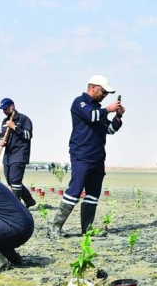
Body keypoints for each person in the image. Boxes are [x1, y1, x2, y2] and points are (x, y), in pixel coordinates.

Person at [49, 75, 124, 237]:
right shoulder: (80, 103)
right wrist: (108, 110)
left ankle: (87, 229)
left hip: (98, 157)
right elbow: (92, 116)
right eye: (103, 91)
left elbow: (109, 130)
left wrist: (117, 117)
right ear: (93, 87)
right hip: (82, 155)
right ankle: (55, 227)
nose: (105, 95)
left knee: (93, 195)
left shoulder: (98, 109)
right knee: (75, 191)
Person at [0, 98, 36, 208]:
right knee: (10, 180)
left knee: (15, 180)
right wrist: (2, 141)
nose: (4, 111)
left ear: (12, 106)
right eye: (3, 109)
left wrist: (14, 127)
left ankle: (16, 206)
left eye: (6, 108)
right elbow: (2, 134)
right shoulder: (4, 122)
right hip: (8, 155)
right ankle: (29, 200)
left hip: (19, 154)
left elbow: (28, 135)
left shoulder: (24, 119)